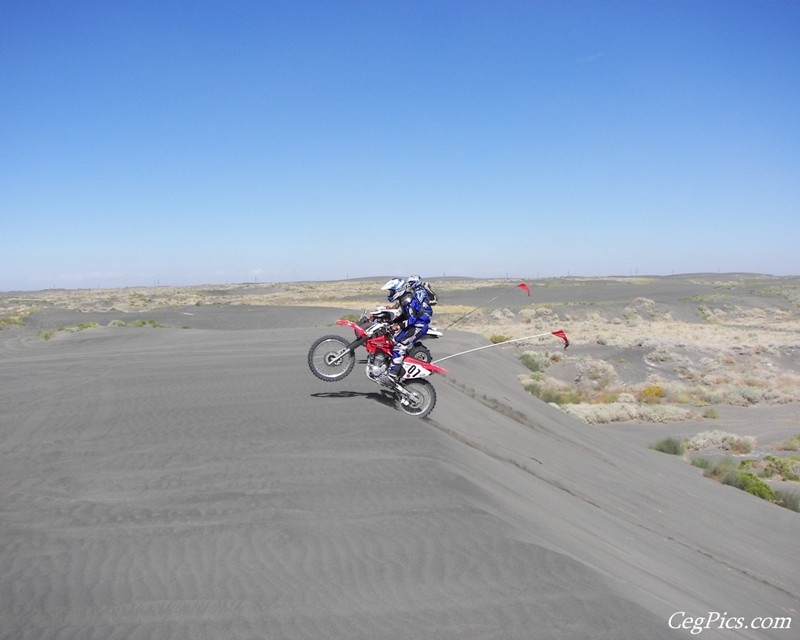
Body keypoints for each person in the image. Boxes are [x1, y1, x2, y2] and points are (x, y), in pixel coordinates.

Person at [378, 277, 431, 382]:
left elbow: (413, 318)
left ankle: (393, 373)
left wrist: (399, 326)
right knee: (393, 341)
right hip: (413, 325)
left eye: (392, 291)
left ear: (398, 290)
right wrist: (393, 321)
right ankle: (393, 364)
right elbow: (404, 315)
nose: (390, 294)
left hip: (419, 326)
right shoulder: (404, 299)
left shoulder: (408, 300)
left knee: (400, 346)